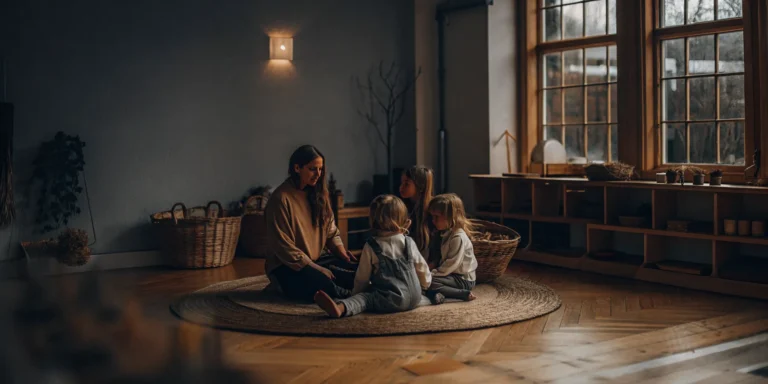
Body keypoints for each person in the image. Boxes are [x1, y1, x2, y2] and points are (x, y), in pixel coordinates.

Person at [264, 145, 358, 302]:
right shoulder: (280, 199)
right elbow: (284, 249)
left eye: (320, 170)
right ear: (297, 168)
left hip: (316, 261)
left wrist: (341, 253)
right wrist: (318, 269)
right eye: (313, 169)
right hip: (288, 266)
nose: (318, 174)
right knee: (320, 282)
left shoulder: (319, 194)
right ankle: (345, 295)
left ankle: (345, 291)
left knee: (357, 271)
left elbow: (331, 231)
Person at [313, 195, 431, 318]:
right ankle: (431, 297)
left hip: (391, 299)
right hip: (416, 297)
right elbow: (422, 269)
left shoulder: (372, 246)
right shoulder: (408, 242)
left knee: (365, 298)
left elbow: (362, 278)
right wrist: (424, 286)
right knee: (410, 295)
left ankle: (341, 308)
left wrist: (357, 293)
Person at [425, 193, 479, 305]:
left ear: (451, 217)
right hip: (451, 275)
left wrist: (432, 274)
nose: (433, 221)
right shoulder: (445, 233)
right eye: (432, 216)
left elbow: (451, 263)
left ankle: (462, 294)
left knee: (429, 281)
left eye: (436, 217)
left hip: (463, 279)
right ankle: (437, 294)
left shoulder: (457, 237)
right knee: (425, 282)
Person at [398, 166, 434, 262]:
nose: (401, 187)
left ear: (420, 187)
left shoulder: (431, 210)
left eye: (407, 184)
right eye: (401, 183)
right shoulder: (403, 206)